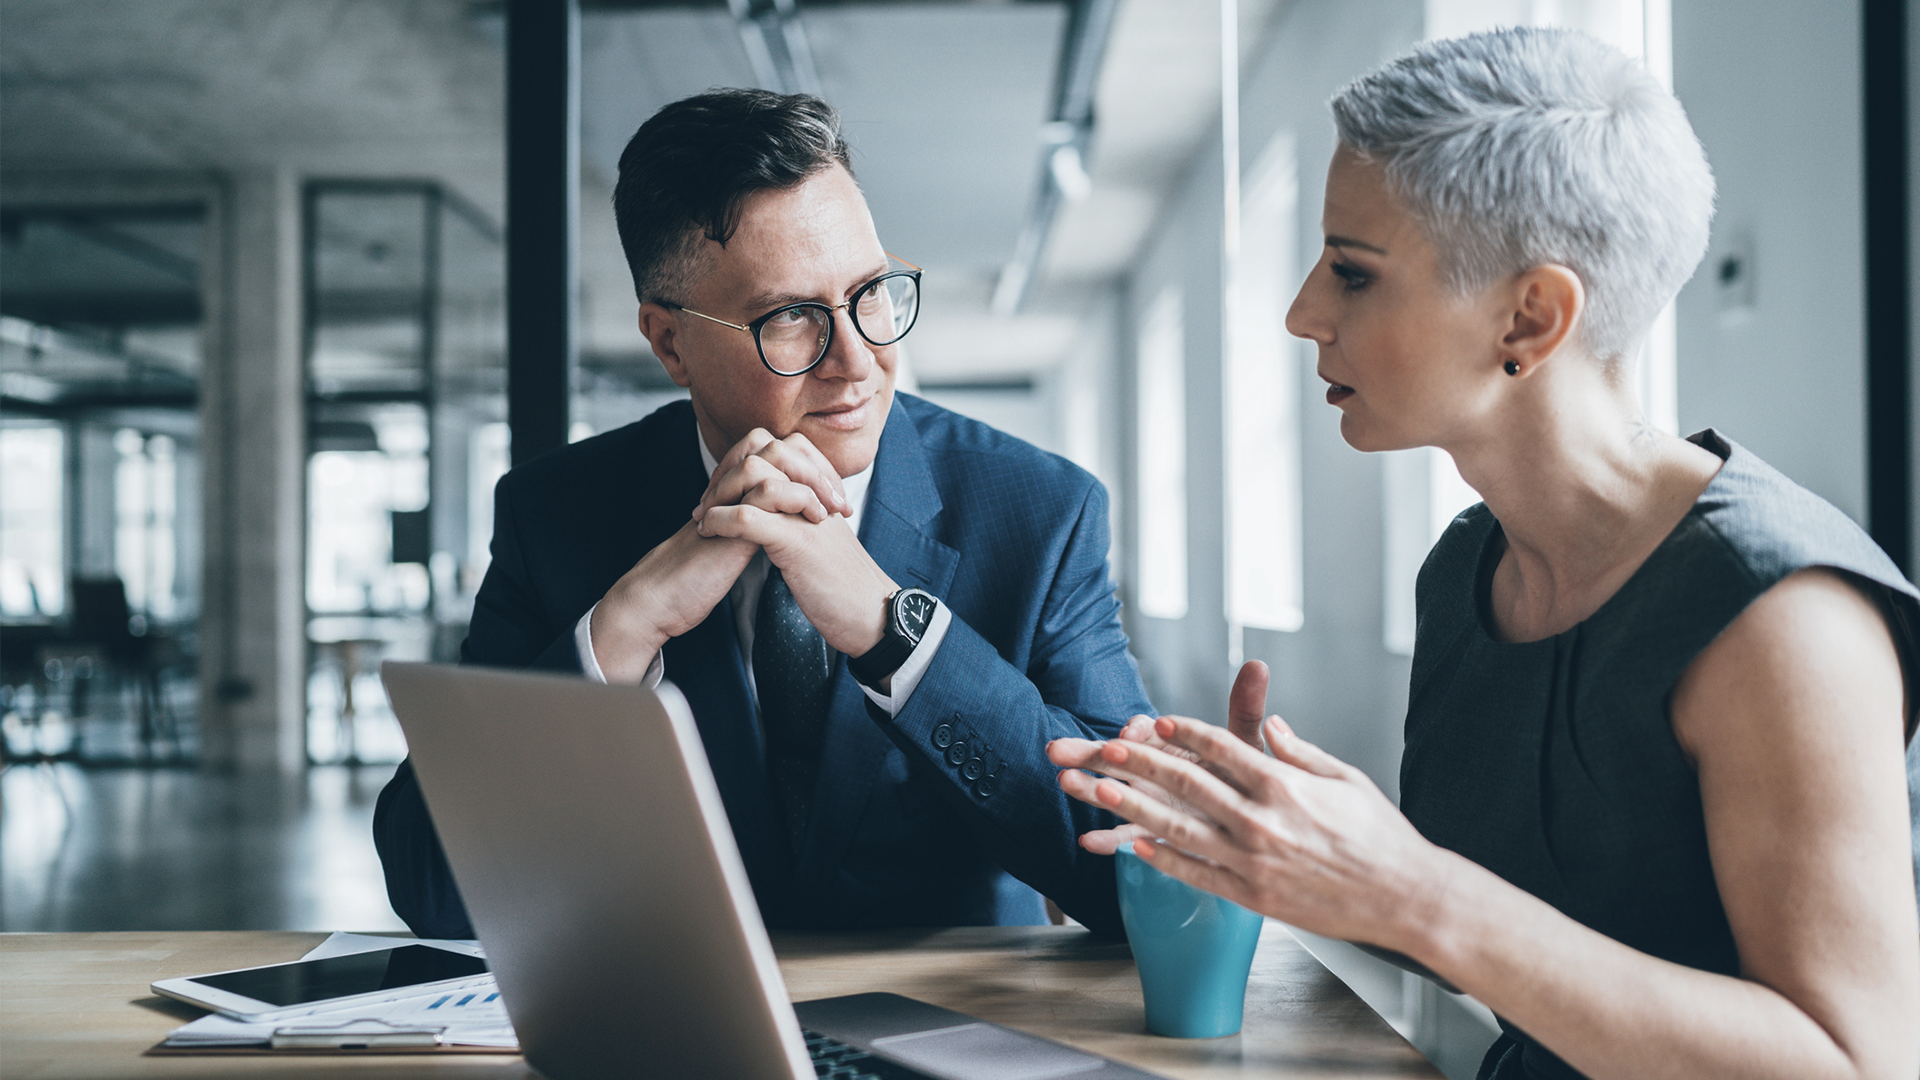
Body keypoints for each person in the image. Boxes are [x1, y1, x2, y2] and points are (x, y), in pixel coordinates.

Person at [1050, 27, 1920, 1080]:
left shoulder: (1783, 620)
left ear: (1531, 315)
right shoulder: (1468, 569)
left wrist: (1407, 889)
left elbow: (1855, 1065)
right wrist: (1272, 837)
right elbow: (1509, 938)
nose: (1302, 314)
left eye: (1353, 274)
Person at [376, 89, 1150, 940]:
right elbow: (432, 885)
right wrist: (625, 627)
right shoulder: (555, 514)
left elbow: (1133, 873)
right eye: (792, 318)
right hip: (677, 1035)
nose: (859, 361)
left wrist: (899, 636)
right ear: (669, 343)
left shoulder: (1042, 512)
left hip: (955, 1037)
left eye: (872, 292)